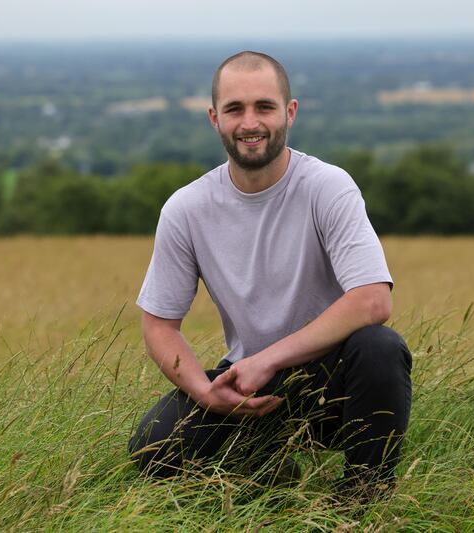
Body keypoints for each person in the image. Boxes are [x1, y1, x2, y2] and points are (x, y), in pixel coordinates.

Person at [128, 51, 412, 497]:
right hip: (247, 385)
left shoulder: (327, 186)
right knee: (152, 449)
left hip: (331, 379)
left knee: (380, 347)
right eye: (234, 109)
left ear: (290, 112)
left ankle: (363, 497)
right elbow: (159, 325)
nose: (250, 123)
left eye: (265, 106)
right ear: (214, 119)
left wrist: (268, 358)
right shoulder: (186, 209)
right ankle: (266, 469)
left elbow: (374, 299)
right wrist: (205, 392)